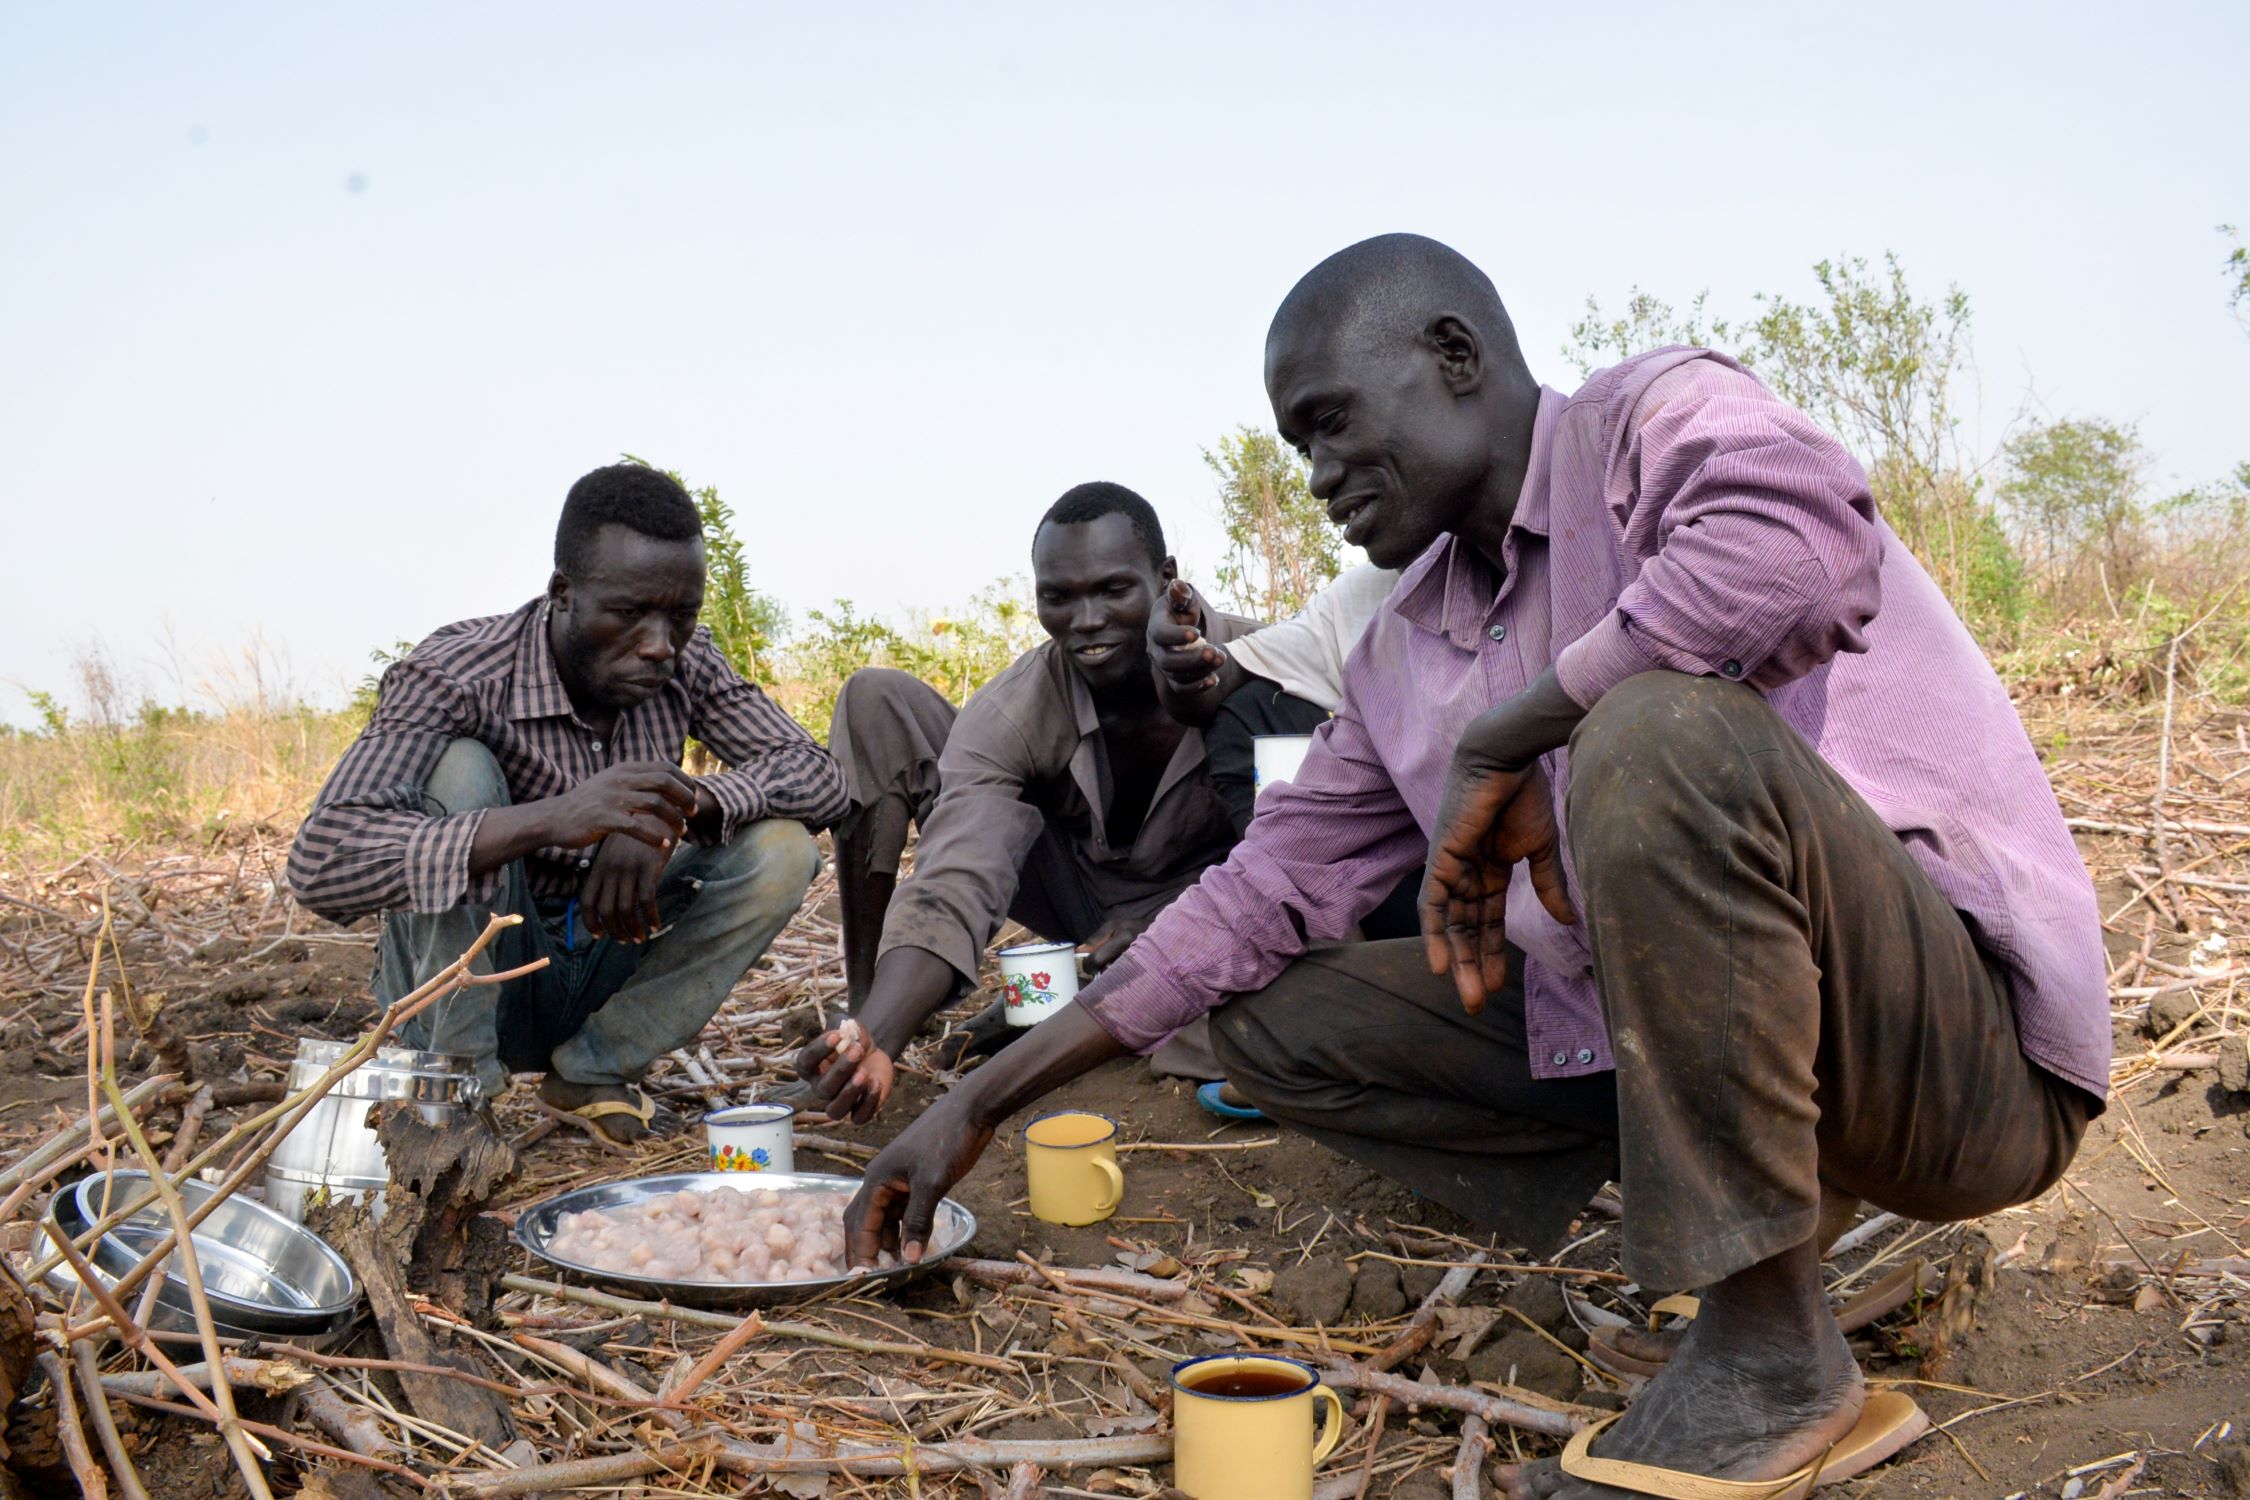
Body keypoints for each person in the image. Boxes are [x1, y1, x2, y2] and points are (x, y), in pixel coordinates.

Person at [844, 236, 2108, 1499]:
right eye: (1300, 449)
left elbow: (1796, 548)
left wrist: (1527, 722)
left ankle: (1774, 1352)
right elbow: (1253, 895)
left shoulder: (1649, 418)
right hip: (1746, 1056)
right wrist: (980, 1102)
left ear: (1454, 355)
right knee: (1279, 1015)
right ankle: (1746, 1231)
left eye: (1332, 425)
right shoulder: (1404, 644)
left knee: (1650, 730)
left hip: (1965, 1065)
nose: (1321, 478)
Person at [289, 464, 846, 1142]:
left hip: (605, 958)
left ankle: (592, 1069)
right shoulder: (455, 673)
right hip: (473, 983)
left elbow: (820, 774)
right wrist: (555, 818)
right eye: (630, 614)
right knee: (458, 773)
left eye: (682, 616)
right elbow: (323, 861)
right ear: (563, 593)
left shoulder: (685, 662)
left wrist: (678, 804)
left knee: (783, 847)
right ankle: (456, 1092)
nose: (659, 644)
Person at [797, 482, 1301, 1121]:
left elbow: (1311, 847)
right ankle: (877, 1008)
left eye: (1113, 590)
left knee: (1273, 1009)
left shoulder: (1271, 666)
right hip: (1080, 900)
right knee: (876, 697)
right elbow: (953, 878)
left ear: (1166, 577)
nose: (1086, 622)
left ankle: (1087, 1004)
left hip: (1224, 904)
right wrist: (877, 1036)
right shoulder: (1016, 708)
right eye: (1058, 598)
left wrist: (1172, 921)